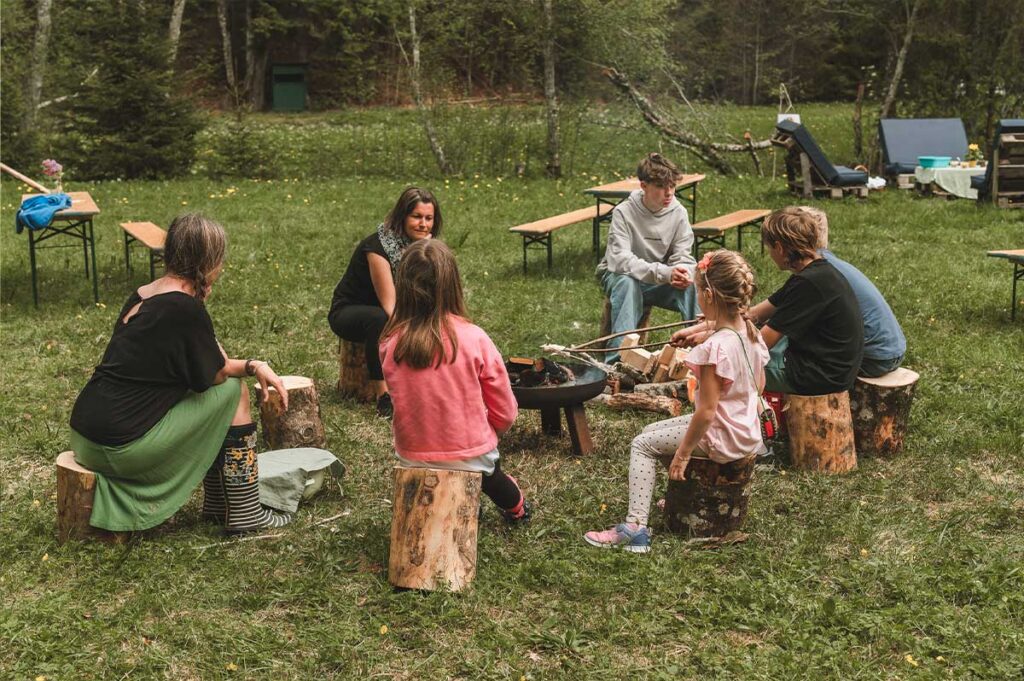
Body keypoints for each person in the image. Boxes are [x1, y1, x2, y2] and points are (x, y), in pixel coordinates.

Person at [69, 214, 291, 535]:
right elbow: (217, 372)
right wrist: (252, 366)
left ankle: (218, 504)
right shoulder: (184, 308)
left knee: (214, 390)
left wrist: (252, 362)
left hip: (86, 435)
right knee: (232, 391)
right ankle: (244, 511)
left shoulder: (146, 293)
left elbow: (204, 362)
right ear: (210, 262)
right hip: (118, 448)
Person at [585, 250, 768, 553]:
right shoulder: (749, 333)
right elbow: (758, 384)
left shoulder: (716, 349)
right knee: (652, 431)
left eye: (697, 291)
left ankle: (635, 528)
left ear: (708, 295)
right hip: (744, 428)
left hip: (721, 435)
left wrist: (683, 454)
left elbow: (707, 411)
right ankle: (681, 496)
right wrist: (699, 330)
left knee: (641, 445)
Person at [379, 239, 531, 524]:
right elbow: (505, 408)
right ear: (452, 285)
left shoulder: (389, 342)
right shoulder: (474, 338)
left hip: (413, 455)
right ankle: (518, 510)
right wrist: (492, 432)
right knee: (494, 477)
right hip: (471, 451)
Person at [674, 207, 863, 396]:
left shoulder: (809, 284)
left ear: (779, 248)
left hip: (819, 375)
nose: (770, 254)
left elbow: (759, 342)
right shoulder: (814, 272)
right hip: (821, 363)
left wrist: (708, 340)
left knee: (723, 364)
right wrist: (696, 329)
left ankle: (729, 418)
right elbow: (752, 315)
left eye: (770, 248)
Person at [328, 187, 442, 417]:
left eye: (428, 218)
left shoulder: (422, 248)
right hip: (349, 313)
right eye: (417, 217)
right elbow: (390, 307)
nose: (423, 224)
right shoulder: (378, 248)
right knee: (379, 319)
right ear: (403, 216)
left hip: (384, 312)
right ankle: (383, 395)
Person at [596, 152, 698, 361]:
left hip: (656, 279)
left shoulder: (679, 213)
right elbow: (620, 260)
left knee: (693, 285)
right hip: (618, 274)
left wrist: (683, 272)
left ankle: (699, 351)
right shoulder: (624, 212)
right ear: (643, 186)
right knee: (627, 283)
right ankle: (618, 361)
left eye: (672, 186)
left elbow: (683, 255)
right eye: (661, 187)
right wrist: (664, 272)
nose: (669, 193)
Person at [798, 206, 906, 377]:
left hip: (874, 359)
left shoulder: (818, 273)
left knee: (795, 356)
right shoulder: (830, 263)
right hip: (892, 350)